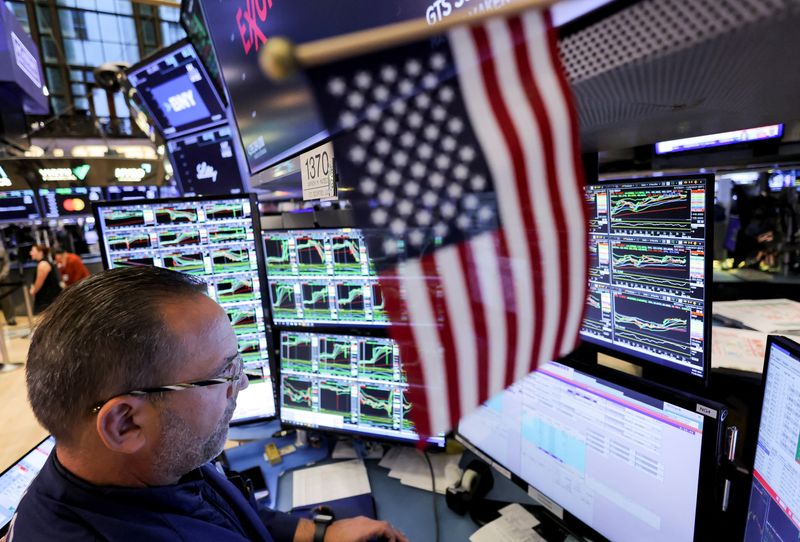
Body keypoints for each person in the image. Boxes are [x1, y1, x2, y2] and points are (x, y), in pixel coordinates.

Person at [13, 267, 406, 542]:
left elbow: (224, 512)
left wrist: (320, 532)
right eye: (225, 375)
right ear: (124, 424)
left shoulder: (150, 461)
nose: (243, 384)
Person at [28, 244, 61, 314]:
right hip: (47, 298)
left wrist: (33, 290)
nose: (30, 253)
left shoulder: (43, 264)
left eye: (32, 251)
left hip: (49, 299)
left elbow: (39, 283)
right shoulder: (42, 263)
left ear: (40, 252)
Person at [0, 243, 16, 325]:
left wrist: (2, 275)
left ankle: (11, 318)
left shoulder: (1, 251)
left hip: (3, 279)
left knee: (7, 300)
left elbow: (7, 264)